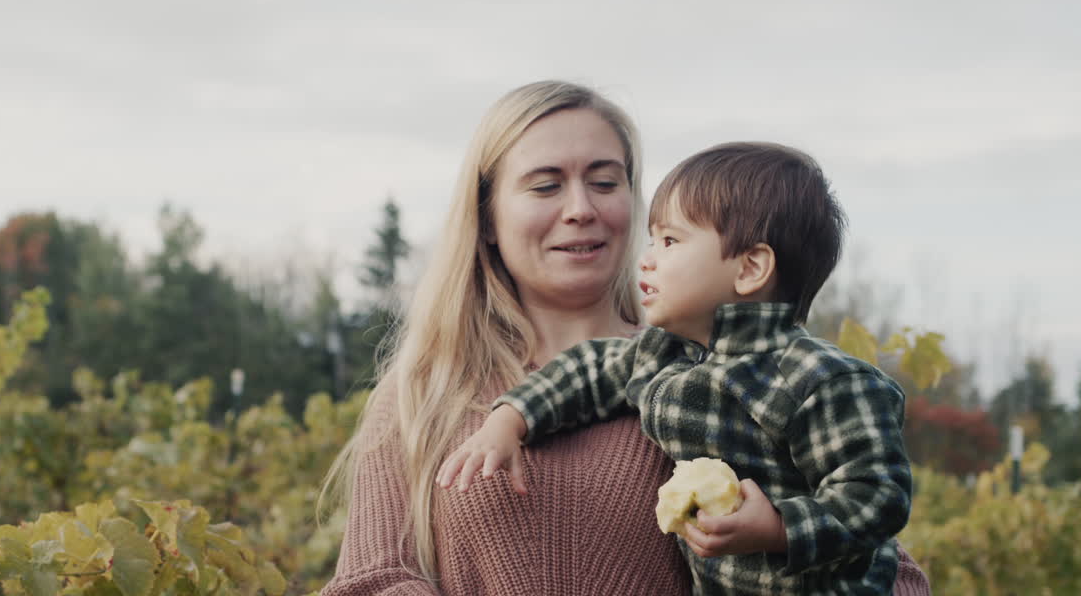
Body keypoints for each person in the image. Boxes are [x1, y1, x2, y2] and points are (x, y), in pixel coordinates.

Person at [321, 82, 930, 595]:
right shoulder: (424, 393)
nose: (581, 208)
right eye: (545, 185)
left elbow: (879, 558)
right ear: (487, 220)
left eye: (605, 182)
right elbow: (374, 580)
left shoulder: (707, 376)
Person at [439, 142, 912, 594]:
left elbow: (878, 495)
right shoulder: (667, 354)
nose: (646, 261)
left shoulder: (821, 380)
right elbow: (589, 370)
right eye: (652, 241)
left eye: (670, 241)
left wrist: (779, 527)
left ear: (750, 268)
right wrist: (509, 419)